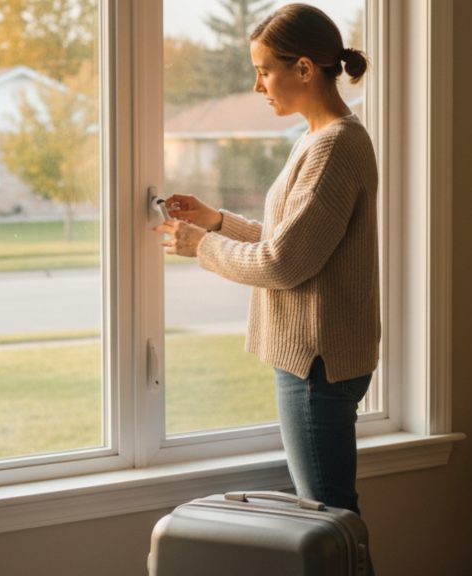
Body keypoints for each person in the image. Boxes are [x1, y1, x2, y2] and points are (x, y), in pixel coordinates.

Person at [154, 3, 379, 573]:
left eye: (264, 71)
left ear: (304, 68)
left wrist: (200, 249)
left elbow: (283, 264)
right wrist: (216, 221)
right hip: (321, 360)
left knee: (331, 524)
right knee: (334, 521)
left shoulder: (333, 146)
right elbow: (296, 241)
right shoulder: (320, 138)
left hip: (315, 365)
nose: (256, 86)